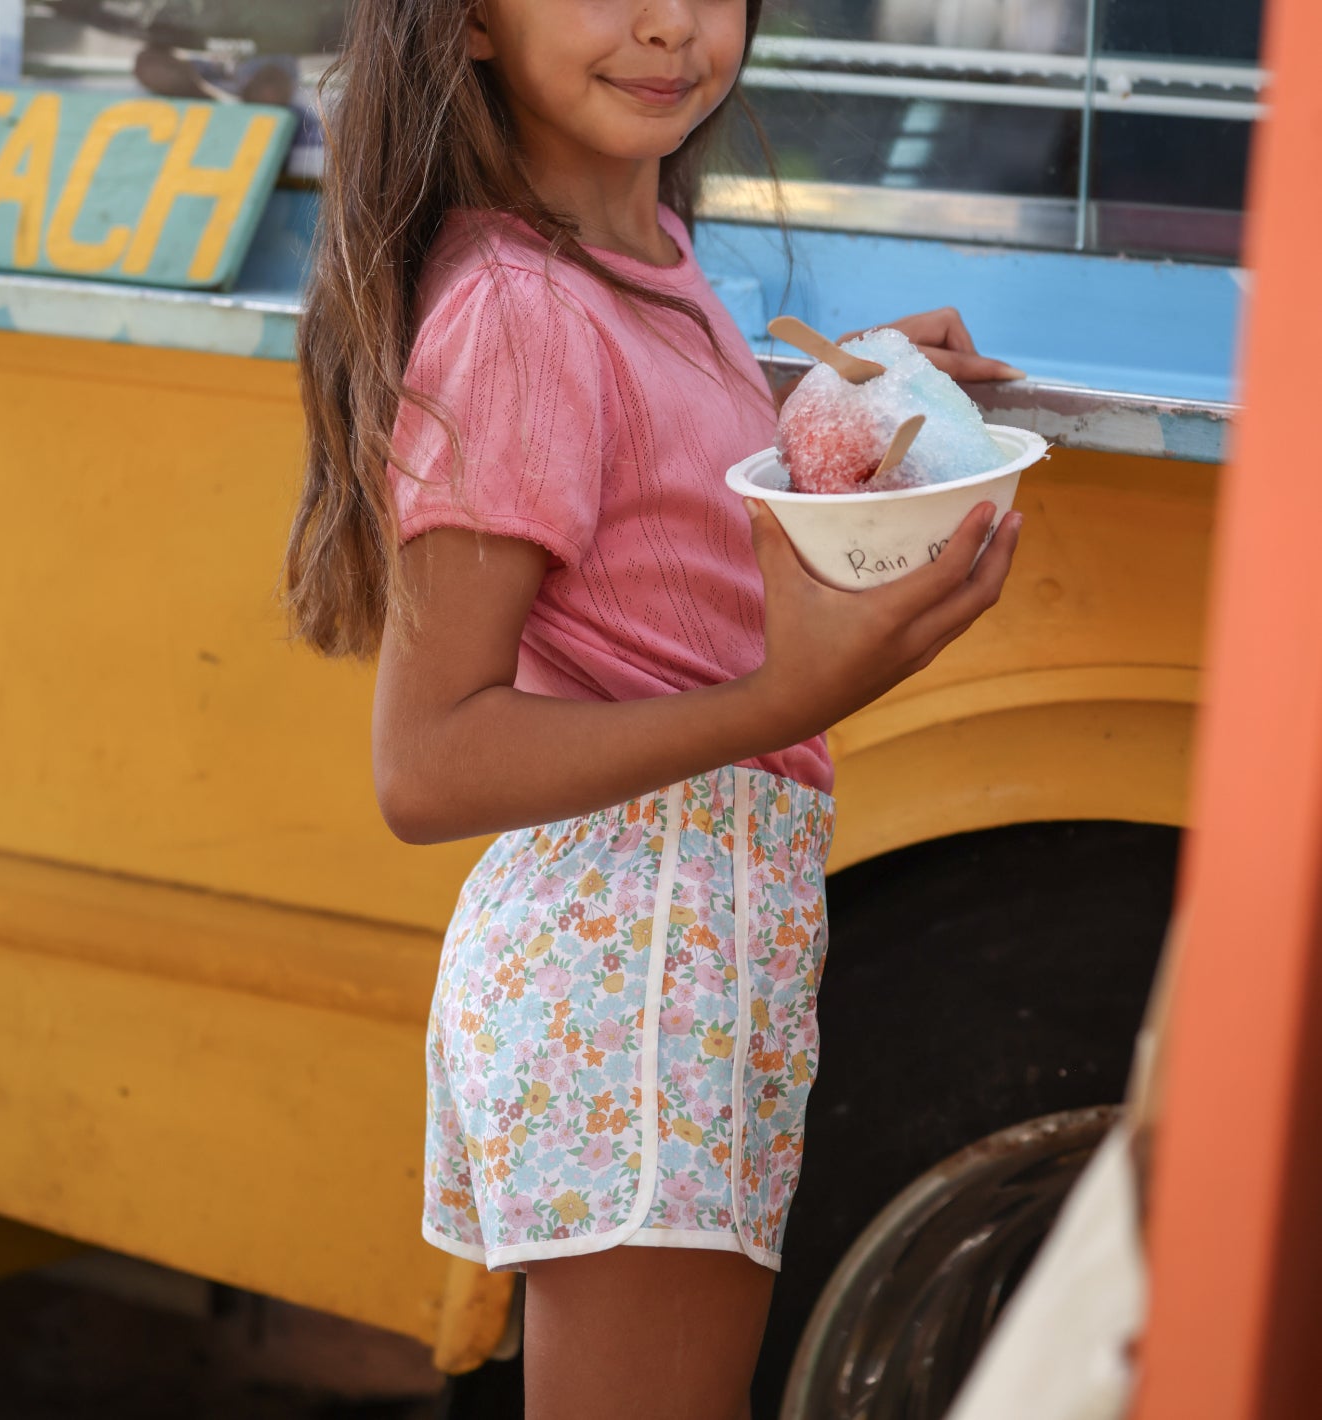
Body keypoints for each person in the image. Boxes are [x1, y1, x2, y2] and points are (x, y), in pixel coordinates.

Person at [284, 4, 1023, 1416]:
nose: (671, 23)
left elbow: (647, 485)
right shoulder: (519, 313)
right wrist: (786, 696)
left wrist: (831, 392)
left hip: (690, 944)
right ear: (470, 23)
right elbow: (426, 764)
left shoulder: (641, 259)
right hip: (634, 970)